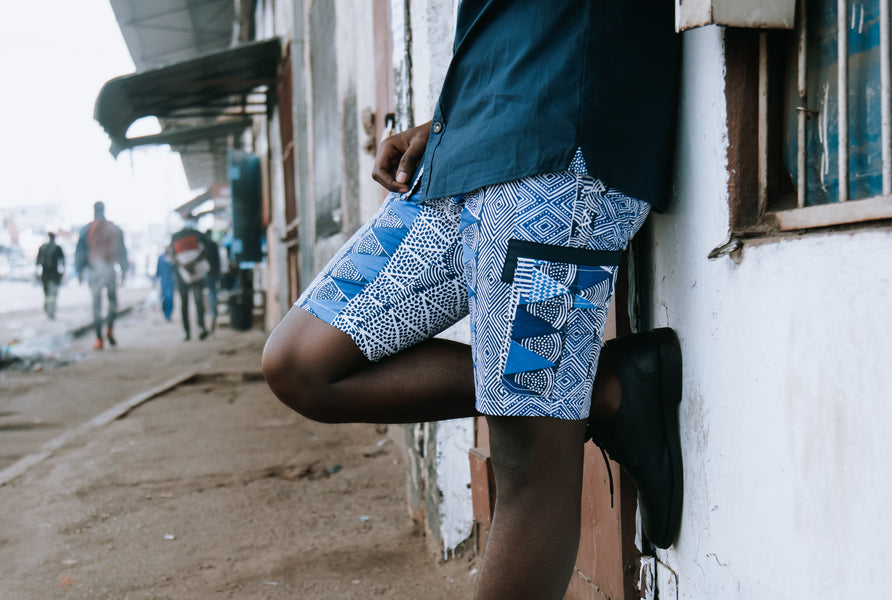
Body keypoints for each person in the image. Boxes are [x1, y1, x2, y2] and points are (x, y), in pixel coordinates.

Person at [262, 2, 683, 598]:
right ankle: (608, 387)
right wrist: (442, 119)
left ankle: (575, 393)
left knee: (529, 467)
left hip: (561, 154)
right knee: (300, 364)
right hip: (462, 146)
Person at [75, 202, 127, 350]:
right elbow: (122, 250)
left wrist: (79, 271)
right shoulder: (114, 228)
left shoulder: (86, 229)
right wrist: (123, 270)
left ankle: (99, 339)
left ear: (93, 211)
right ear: (105, 210)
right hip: (110, 269)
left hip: (94, 271)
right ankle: (110, 329)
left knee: (96, 306)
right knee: (112, 303)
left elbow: (80, 252)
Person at [168, 220, 210, 341]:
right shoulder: (197, 234)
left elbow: (171, 254)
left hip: (185, 272)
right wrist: (192, 264)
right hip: (189, 272)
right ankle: (199, 328)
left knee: (186, 303)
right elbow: (206, 250)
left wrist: (184, 265)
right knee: (196, 301)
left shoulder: (176, 236)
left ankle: (189, 332)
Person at [35, 232, 65, 319]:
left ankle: (48, 308)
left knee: (47, 293)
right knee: (52, 295)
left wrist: (37, 273)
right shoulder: (57, 248)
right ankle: (51, 310)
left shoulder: (43, 248)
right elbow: (62, 262)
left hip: (45, 275)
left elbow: (38, 262)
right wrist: (63, 272)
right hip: (54, 275)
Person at [203, 229, 221, 332]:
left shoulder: (205, 246)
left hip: (210, 274)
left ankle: (213, 311)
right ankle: (213, 311)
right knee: (213, 293)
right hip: (213, 273)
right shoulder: (212, 245)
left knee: (212, 293)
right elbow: (217, 260)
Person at [155, 250, 175, 321]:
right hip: (163, 282)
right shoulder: (161, 258)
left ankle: (168, 315)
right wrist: (155, 280)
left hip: (171, 282)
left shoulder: (172, 259)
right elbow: (158, 270)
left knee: (169, 298)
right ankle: (165, 313)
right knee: (164, 299)